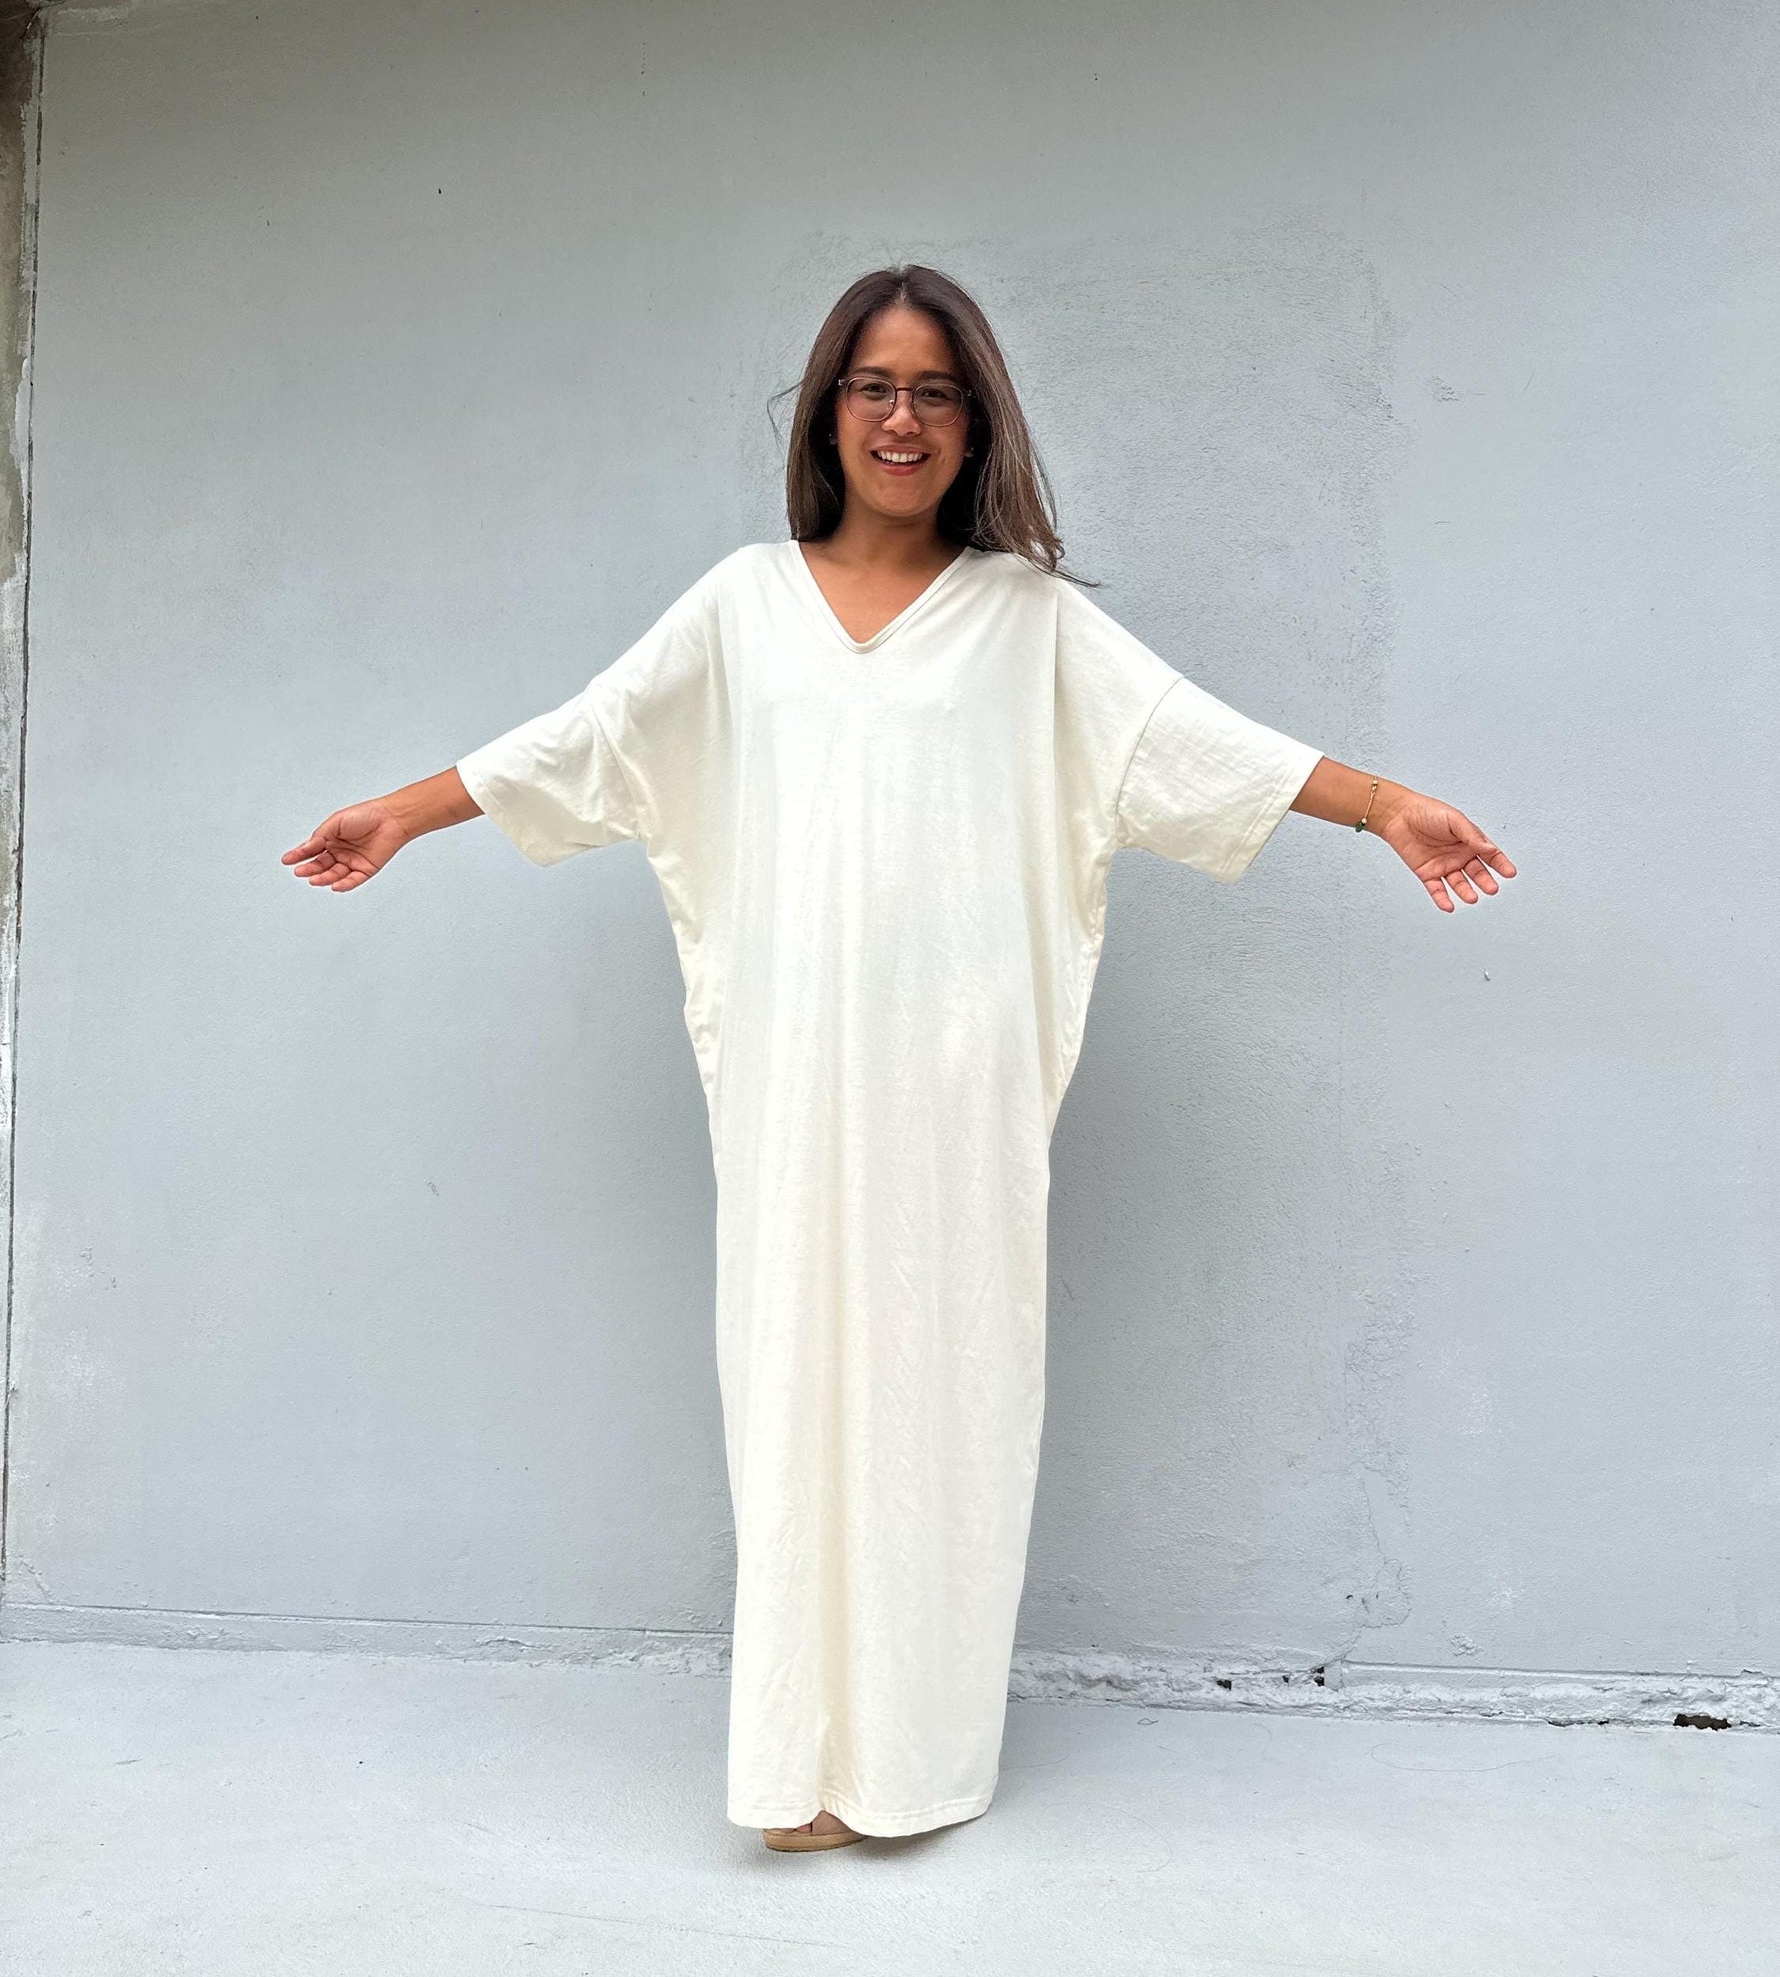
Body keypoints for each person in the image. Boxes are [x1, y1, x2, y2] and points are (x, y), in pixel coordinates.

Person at [282, 263, 1515, 1855]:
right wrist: (401, 810)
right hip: (792, 1090)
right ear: (828, 410)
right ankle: (794, 1765)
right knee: (791, 1389)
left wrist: (1386, 805)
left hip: (957, 1095)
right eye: (874, 385)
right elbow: (585, 740)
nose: (903, 418)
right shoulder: (742, 606)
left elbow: (1195, 745)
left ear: (976, 420)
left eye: (936, 390)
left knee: (949, 1397)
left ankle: (914, 1763)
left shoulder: (1030, 625)